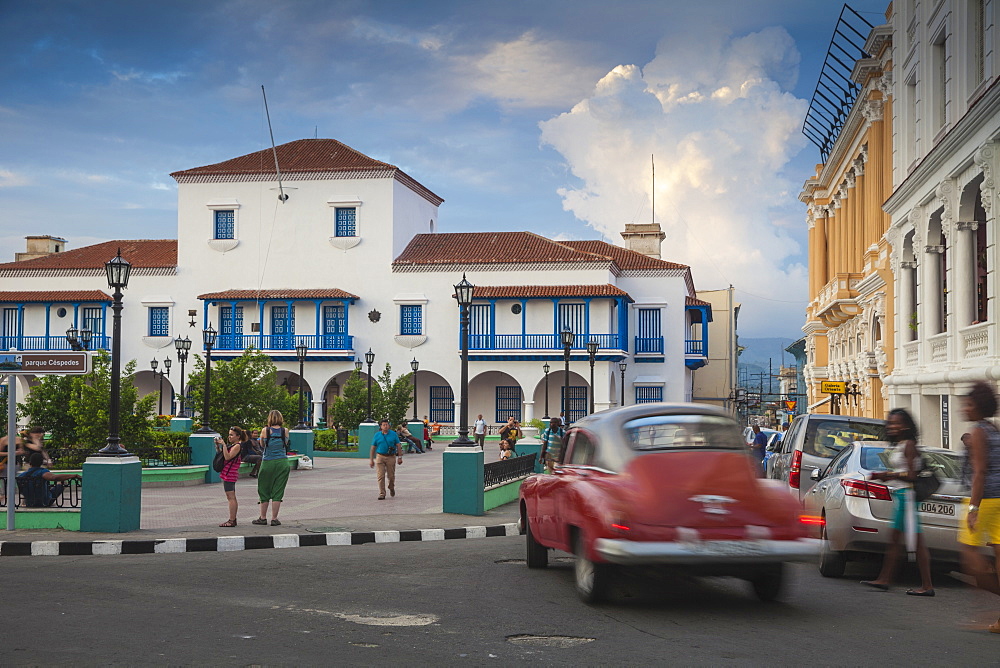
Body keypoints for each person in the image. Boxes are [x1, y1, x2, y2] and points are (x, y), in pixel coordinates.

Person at [860, 408, 935, 596]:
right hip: (902, 496)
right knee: (897, 540)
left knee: (914, 542)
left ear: (907, 426)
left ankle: (926, 586)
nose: (893, 427)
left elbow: (912, 475)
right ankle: (885, 579)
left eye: (897, 423)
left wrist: (886, 475)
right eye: (891, 423)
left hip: (908, 497)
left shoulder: (909, 445)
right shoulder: (902, 444)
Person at [958, 382, 1000, 633]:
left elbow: (980, 472)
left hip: (983, 500)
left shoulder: (977, 432)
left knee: (970, 557)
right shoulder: (993, 429)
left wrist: (973, 508)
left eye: (969, 404)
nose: (964, 408)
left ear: (979, 407)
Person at [253, 410, 290, 526]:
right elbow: (286, 443)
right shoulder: (285, 431)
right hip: (283, 462)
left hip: (268, 462)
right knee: (278, 491)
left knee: (264, 489)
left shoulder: (265, 430)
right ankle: (274, 518)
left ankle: (263, 517)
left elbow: (262, 445)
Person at [217, 427, 244, 527]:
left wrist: (224, 444)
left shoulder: (237, 446)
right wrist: (219, 446)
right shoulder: (233, 445)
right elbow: (223, 455)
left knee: (231, 497)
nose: (229, 437)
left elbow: (228, 457)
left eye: (232, 435)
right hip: (227, 473)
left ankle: (232, 520)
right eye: (229, 434)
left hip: (230, 474)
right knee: (230, 496)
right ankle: (232, 519)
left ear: (238, 436)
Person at [370, 419, 403, 500]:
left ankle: (391, 487)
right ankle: (382, 493)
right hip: (380, 457)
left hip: (391, 457)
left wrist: (399, 457)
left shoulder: (393, 434)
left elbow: (398, 445)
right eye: (384, 425)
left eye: (387, 424)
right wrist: (371, 459)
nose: (385, 426)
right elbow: (373, 447)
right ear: (381, 426)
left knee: (391, 476)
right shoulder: (377, 435)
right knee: (380, 476)